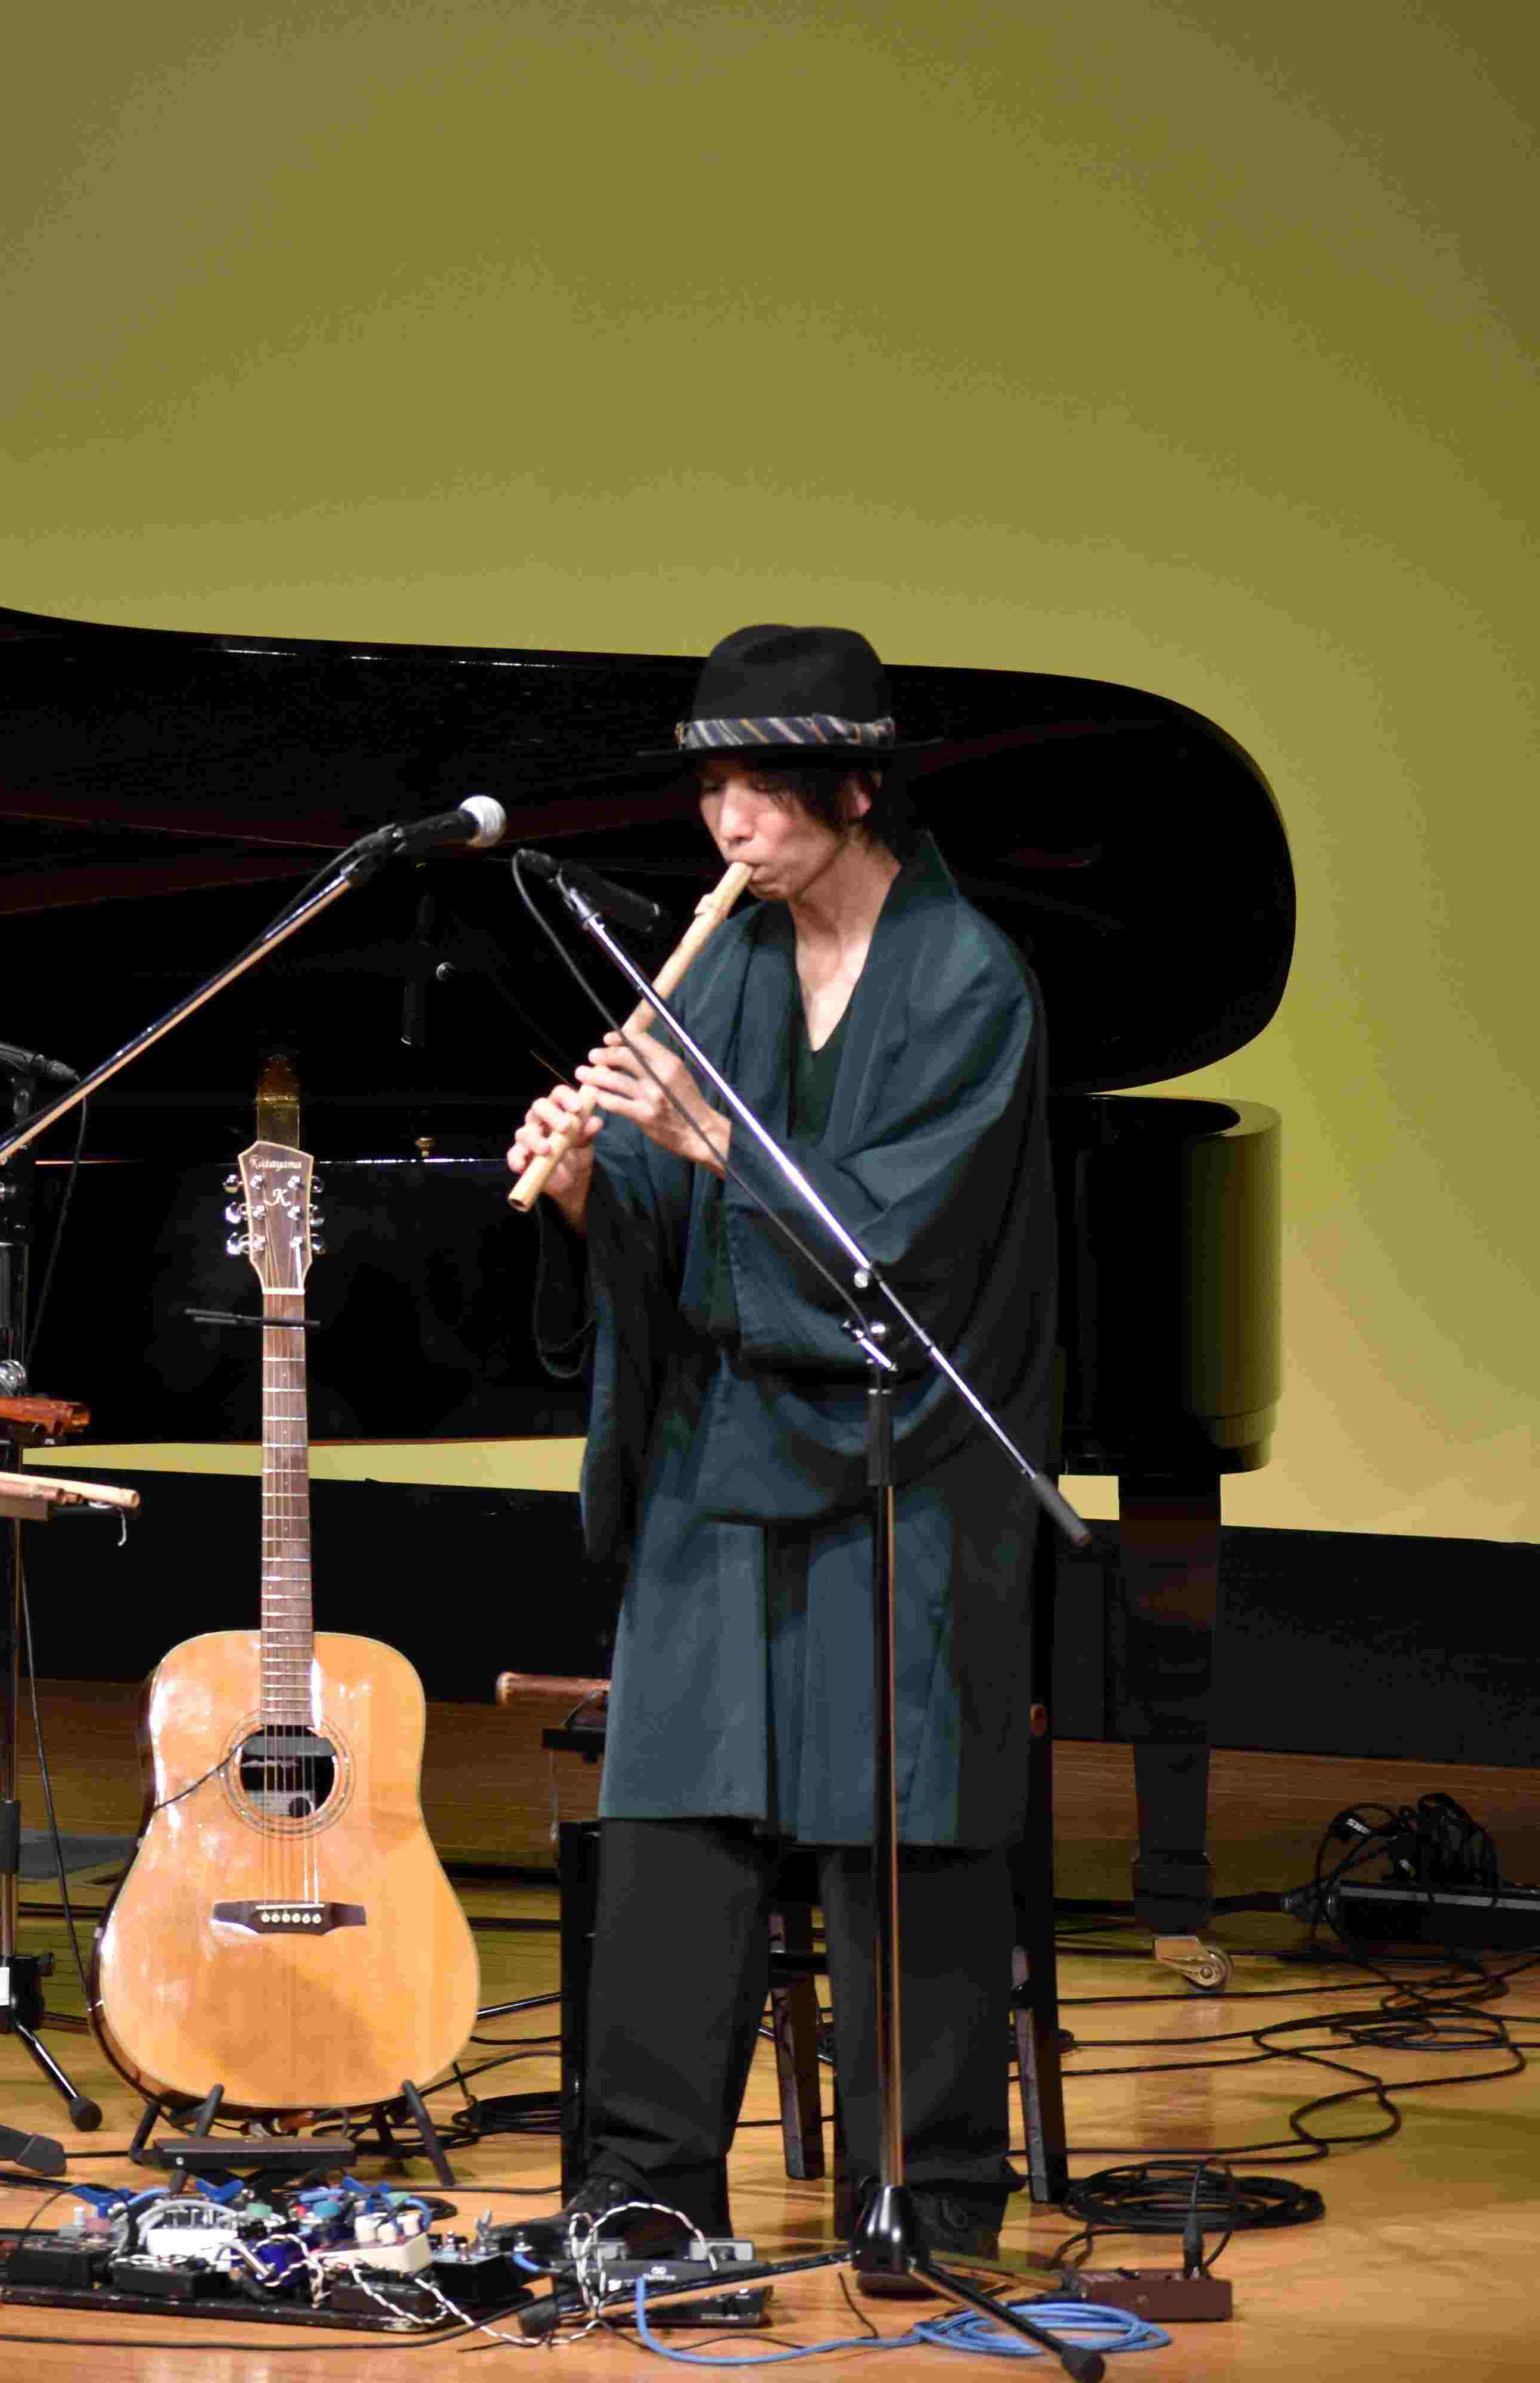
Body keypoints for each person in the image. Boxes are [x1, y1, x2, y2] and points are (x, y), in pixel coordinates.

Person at [504, 625, 1059, 2264]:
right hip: (725, 1430)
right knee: (675, 1808)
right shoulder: (724, 964)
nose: (731, 823)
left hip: (910, 1451)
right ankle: (647, 2191)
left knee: (906, 1812)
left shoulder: (968, 979)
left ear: (857, 787)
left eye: (764, 788)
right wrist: (597, 1187)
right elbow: (668, 1219)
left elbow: (910, 1242)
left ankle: (925, 2201)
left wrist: (714, 1146)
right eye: (714, 790)